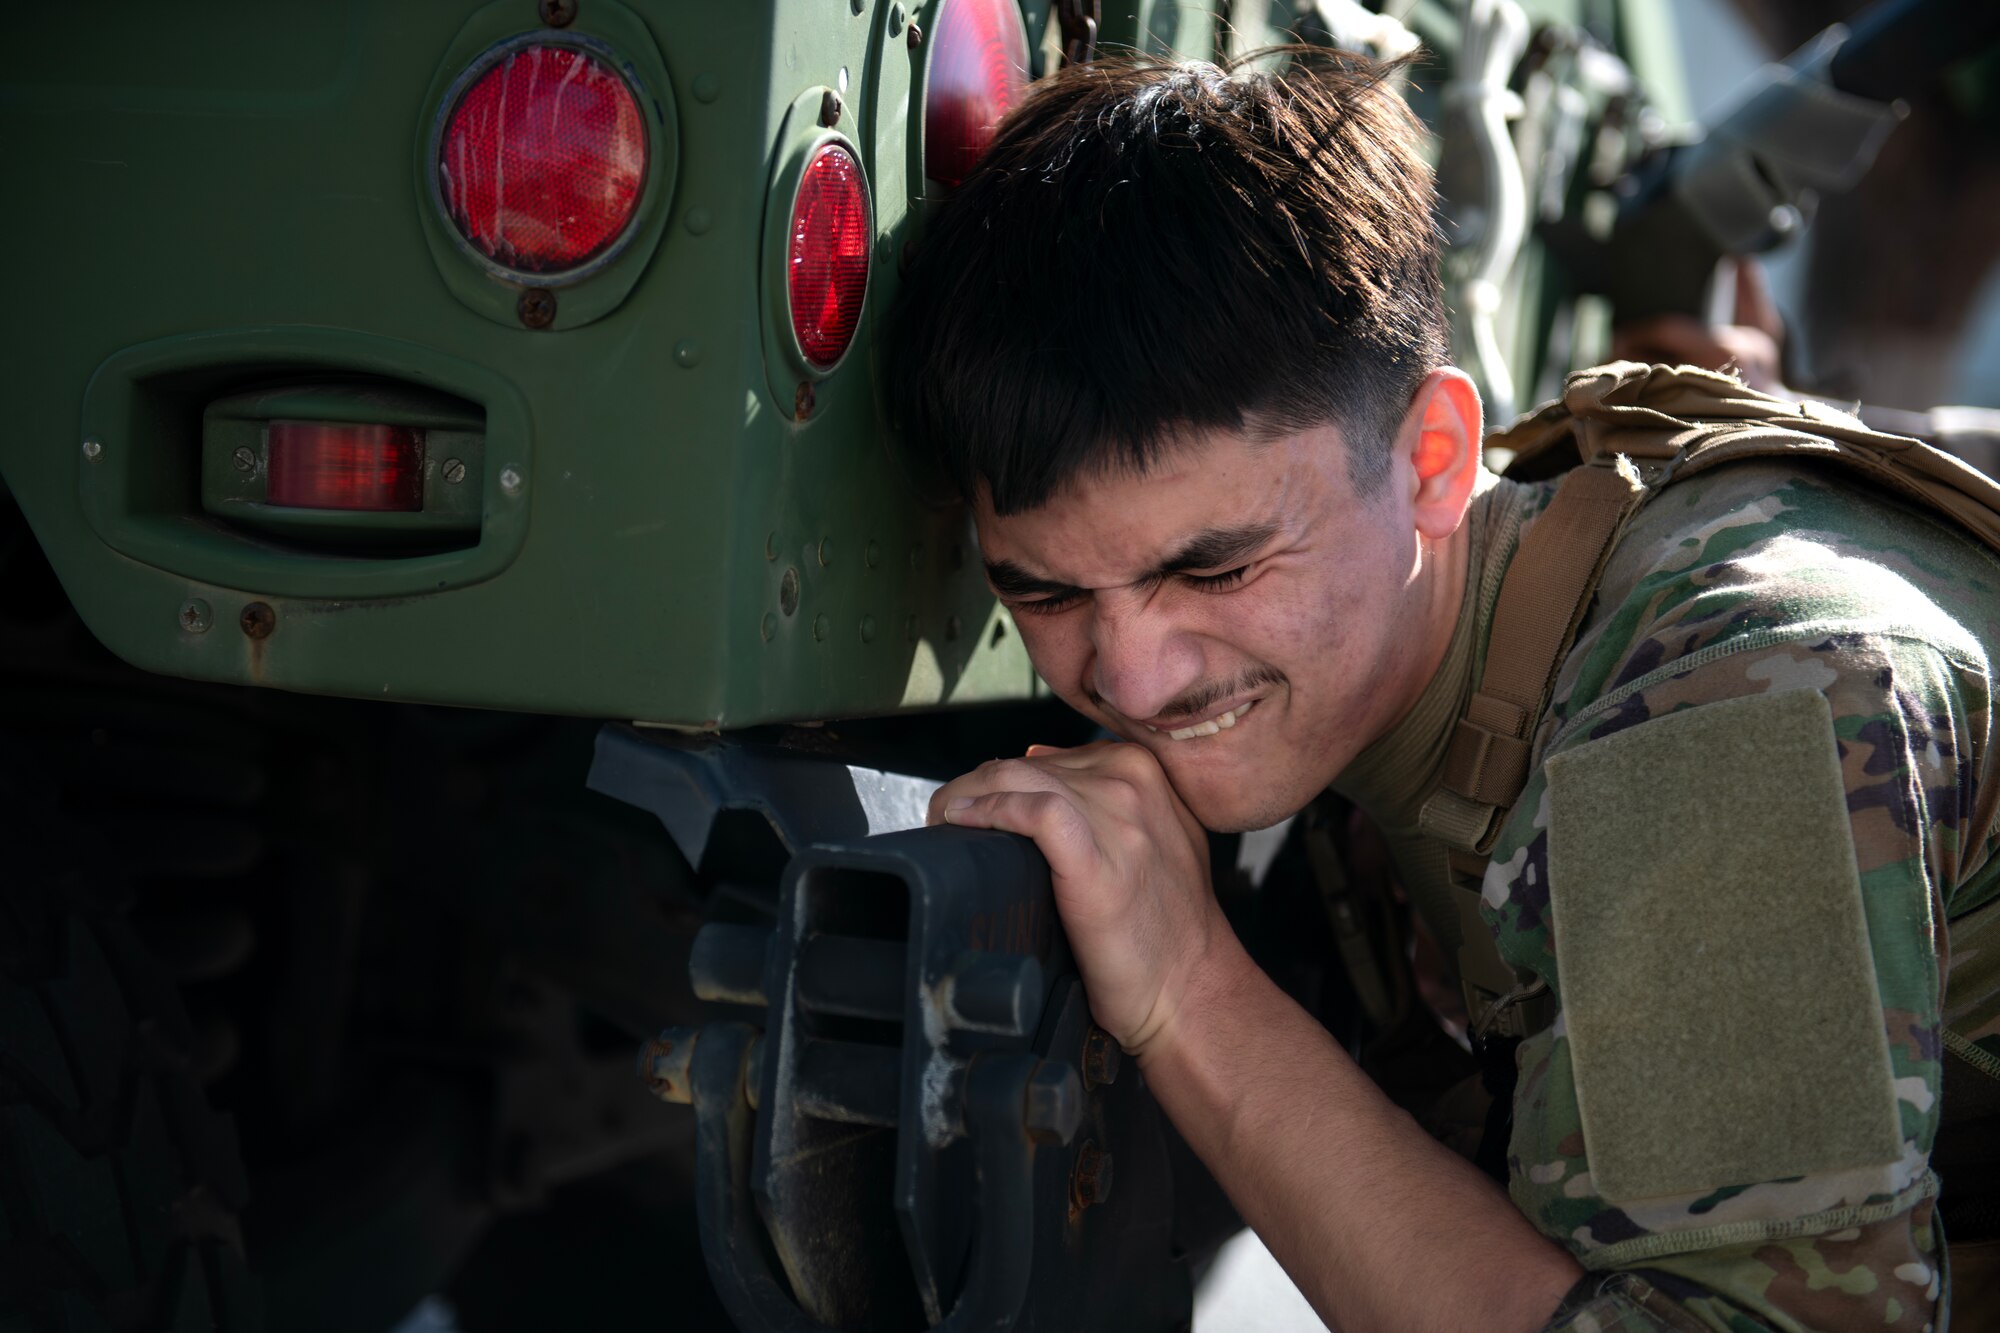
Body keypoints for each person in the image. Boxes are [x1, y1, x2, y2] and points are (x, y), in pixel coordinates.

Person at [887, 51, 2000, 1332]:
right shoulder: (1433, 625)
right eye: (1050, 596)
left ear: (1432, 458)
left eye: (1221, 566)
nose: (1132, 676)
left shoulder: (1726, 700)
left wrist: (1193, 990)